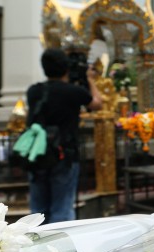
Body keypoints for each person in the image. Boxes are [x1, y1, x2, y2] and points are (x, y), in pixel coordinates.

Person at [26, 48, 102, 223]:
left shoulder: (34, 91)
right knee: (62, 208)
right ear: (66, 68)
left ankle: (37, 245)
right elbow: (97, 104)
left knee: (38, 209)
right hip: (64, 153)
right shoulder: (72, 92)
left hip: (37, 154)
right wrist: (89, 79)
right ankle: (59, 247)